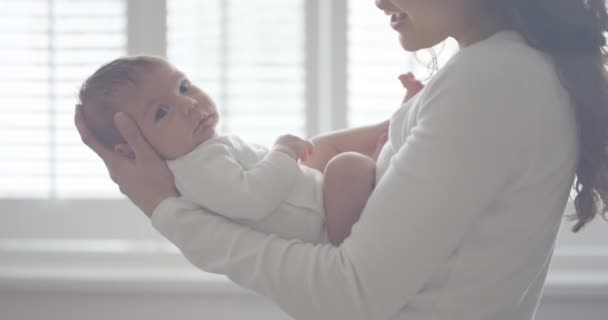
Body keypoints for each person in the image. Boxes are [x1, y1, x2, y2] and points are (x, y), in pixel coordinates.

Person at [74, 0, 608, 319]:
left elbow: (352, 294)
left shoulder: (491, 81)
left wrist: (166, 211)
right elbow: (333, 164)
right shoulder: (497, 70)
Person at [77, 55, 424, 246]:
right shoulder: (195, 169)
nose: (187, 104)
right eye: (161, 112)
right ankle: (387, 151)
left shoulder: (203, 152)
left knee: (322, 146)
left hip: (309, 196)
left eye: (183, 87)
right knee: (346, 165)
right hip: (324, 226)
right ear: (132, 147)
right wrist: (284, 152)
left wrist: (290, 157)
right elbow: (251, 199)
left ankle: (390, 128)